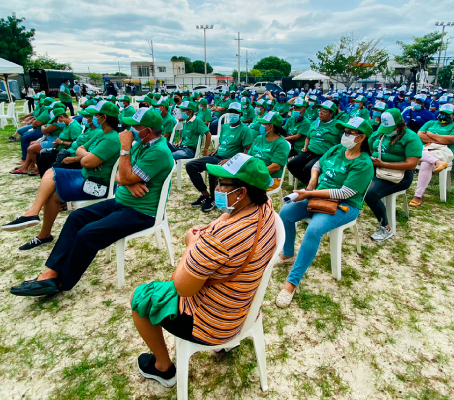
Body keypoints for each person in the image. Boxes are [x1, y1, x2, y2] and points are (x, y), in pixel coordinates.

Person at [131, 154, 276, 387]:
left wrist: (191, 245)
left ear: (241, 193)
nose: (215, 187)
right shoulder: (264, 205)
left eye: (221, 184)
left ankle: (163, 369)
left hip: (213, 323)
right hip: (243, 307)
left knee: (140, 298)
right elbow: (227, 220)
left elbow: (183, 287)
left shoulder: (220, 242)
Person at [8, 107, 173, 296]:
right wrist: (129, 182)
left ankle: (62, 282)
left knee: (87, 234)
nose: (130, 130)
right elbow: (119, 172)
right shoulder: (141, 145)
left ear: (148, 131)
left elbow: (125, 173)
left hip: (141, 212)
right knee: (76, 217)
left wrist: (125, 154)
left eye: (136, 126)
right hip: (122, 202)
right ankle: (50, 272)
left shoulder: (158, 151)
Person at [275, 116, 374, 308]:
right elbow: (317, 165)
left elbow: (345, 192)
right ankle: (287, 254)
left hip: (344, 205)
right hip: (317, 196)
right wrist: (312, 182)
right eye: (344, 132)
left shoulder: (363, 163)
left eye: (349, 133)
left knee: (314, 230)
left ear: (361, 137)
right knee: (286, 211)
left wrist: (309, 193)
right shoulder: (338, 149)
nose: (344, 135)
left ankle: (292, 283)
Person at [2, 101, 122, 250]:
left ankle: (34, 215)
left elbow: (86, 161)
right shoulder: (103, 134)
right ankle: (41, 228)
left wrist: (87, 157)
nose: (92, 118)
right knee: (51, 183)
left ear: (103, 117)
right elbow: (80, 149)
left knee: (52, 174)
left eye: (96, 115)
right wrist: (88, 156)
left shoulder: (111, 139)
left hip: (97, 184)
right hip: (86, 176)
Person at [364, 109, 422, 241]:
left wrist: (383, 164)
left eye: (390, 128)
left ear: (399, 125)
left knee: (370, 194)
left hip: (399, 176)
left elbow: (411, 164)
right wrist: (370, 159)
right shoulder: (380, 133)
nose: (386, 131)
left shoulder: (411, 137)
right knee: (350, 180)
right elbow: (369, 149)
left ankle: (386, 228)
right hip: (377, 169)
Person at [186, 103, 253, 212]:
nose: (232, 115)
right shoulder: (225, 127)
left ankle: (213, 198)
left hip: (230, 160)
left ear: (240, 114)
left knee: (214, 169)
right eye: (230, 112)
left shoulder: (245, 130)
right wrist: (215, 150)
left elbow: (248, 149)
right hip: (217, 156)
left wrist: (232, 159)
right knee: (191, 165)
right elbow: (222, 142)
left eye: (235, 112)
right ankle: (206, 195)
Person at [409, 104, 454, 207]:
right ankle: (437, 162)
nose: (443, 116)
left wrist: (431, 135)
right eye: (442, 113)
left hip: (445, 153)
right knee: (423, 158)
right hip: (426, 150)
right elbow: (420, 135)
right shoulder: (431, 123)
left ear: (453, 115)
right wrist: (440, 139)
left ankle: (418, 196)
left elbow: (451, 139)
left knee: (425, 161)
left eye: (447, 114)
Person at [287, 100, 342, 185]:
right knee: (292, 165)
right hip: (310, 150)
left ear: (331, 114)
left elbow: (342, 143)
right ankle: (309, 184)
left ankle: (311, 186)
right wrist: (305, 146)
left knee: (309, 168)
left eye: (324, 111)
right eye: (320, 110)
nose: (320, 113)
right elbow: (308, 137)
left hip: (325, 154)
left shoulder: (338, 126)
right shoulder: (315, 123)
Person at [248, 111, 291, 190]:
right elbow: (248, 156)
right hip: (253, 173)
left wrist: (255, 174)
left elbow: (275, 167)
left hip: (269, 177)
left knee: (241, 189)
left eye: (263, 124)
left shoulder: (281, 144)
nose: (261, 126)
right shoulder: (259, 138)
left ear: (271, 127)